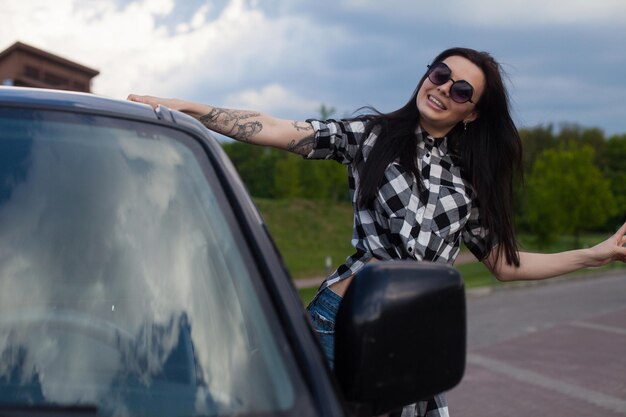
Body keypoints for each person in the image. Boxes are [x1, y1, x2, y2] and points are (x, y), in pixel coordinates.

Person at [128, 47, 626, 417]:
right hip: (340, 323)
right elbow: (282, 129)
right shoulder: (370, 138)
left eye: (461, 90)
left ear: (471, 112)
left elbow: (503, 263)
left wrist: (597, 254)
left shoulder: (467, 186)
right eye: (440, 74)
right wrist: (192, 110)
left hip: (413, 336)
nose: (443, 88)